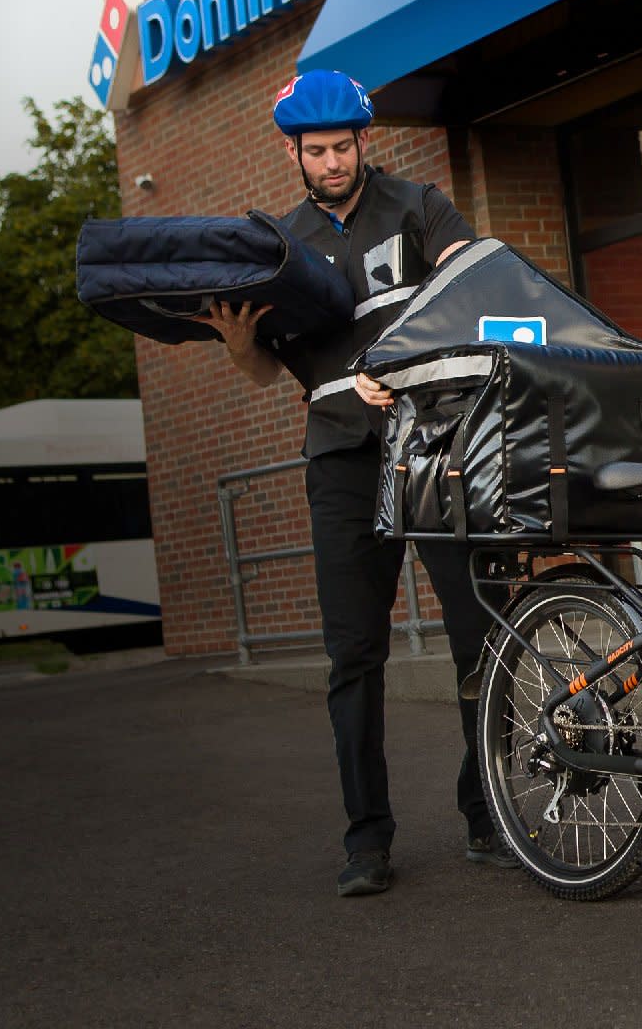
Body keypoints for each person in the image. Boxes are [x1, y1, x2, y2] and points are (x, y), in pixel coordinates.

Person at [198, 70, 518, 896]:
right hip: (340, 458)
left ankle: (487, 814)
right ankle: (366, 840)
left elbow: (467, 285)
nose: (332, 160)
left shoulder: (419, 206)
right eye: (317, 150)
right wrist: (237, 342)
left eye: (344, 146)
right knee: (354, 655)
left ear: (362, 142)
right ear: (294, 153)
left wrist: (398, 361)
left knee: (478, 636)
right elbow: (266, 372)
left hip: (437, 446)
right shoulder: (279, 242)